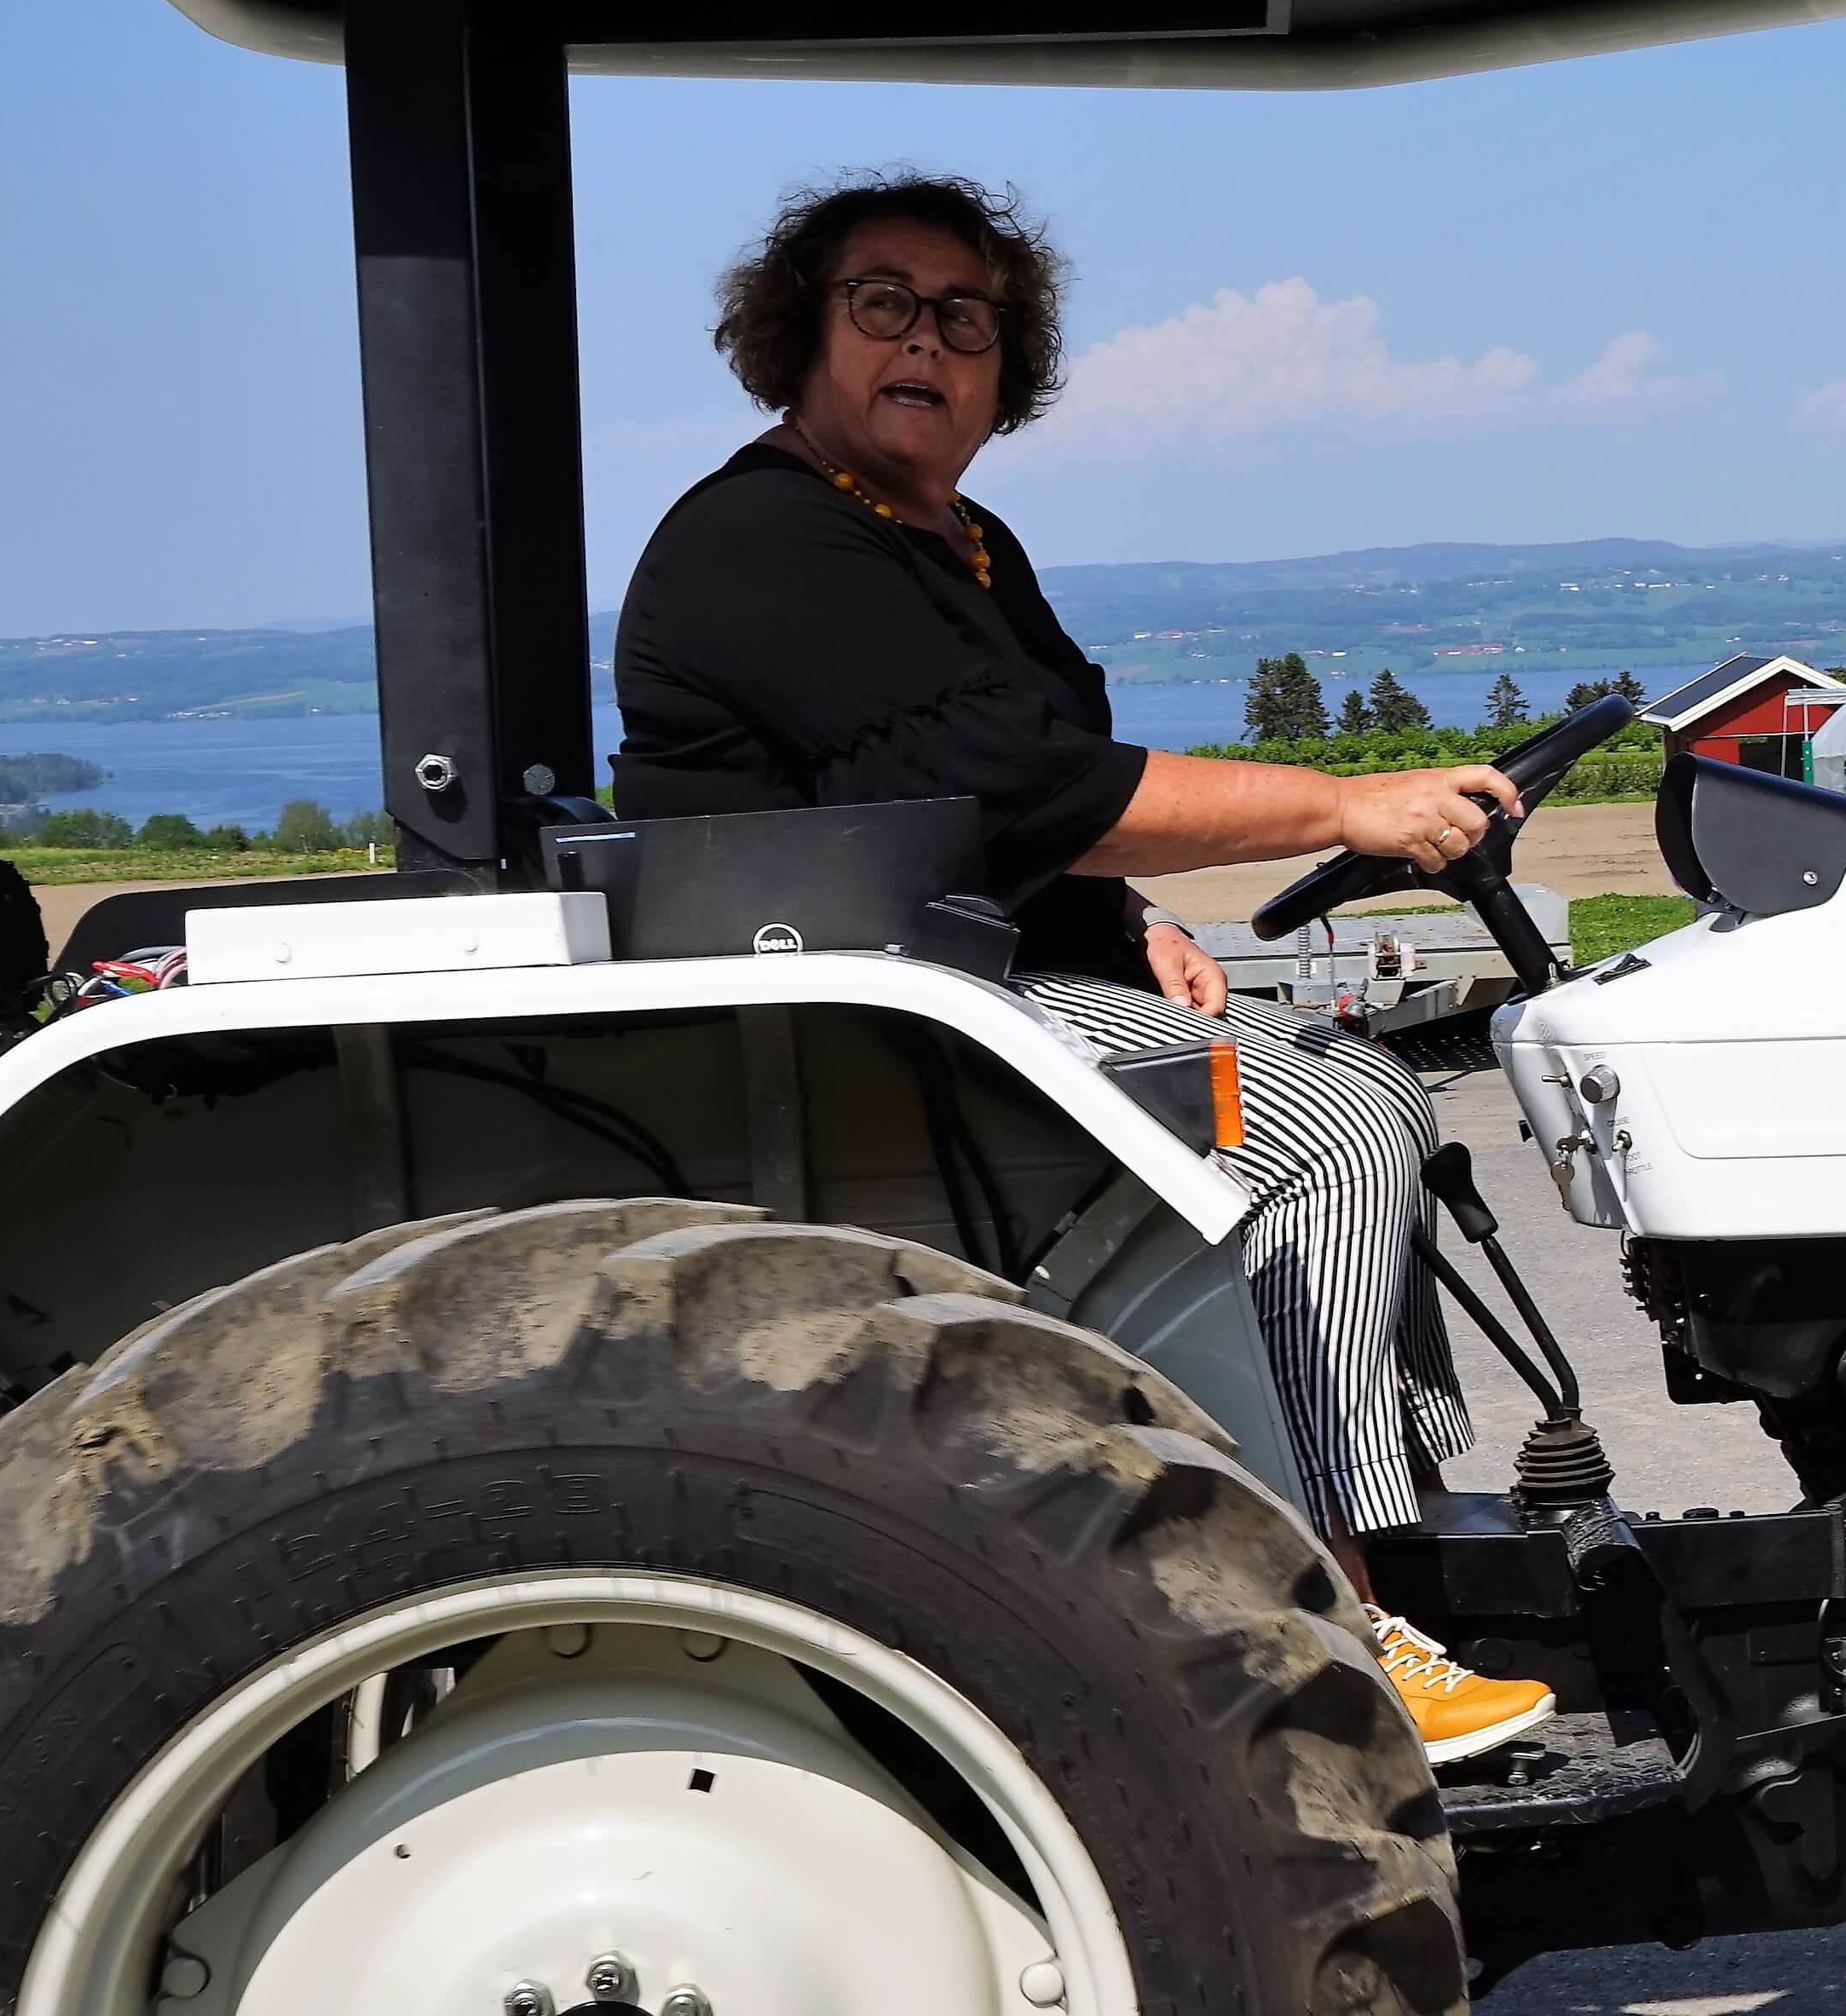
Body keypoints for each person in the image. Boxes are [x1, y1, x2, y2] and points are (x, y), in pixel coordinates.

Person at [613, 169, 1555, 1765]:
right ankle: (1327, 1615)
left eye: (966, 317)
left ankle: (1388, 1524)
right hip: (855, 1013)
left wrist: (1141, 927)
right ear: (800, 336)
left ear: (1007, 363)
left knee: (1358, 1078)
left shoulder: (960, 541)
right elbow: (1029, 791)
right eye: (886, 304)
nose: (929, 341)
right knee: (1333, 1139)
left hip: (950, 971)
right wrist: (1347, 803)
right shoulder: (767, 540)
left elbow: (1021, 796)